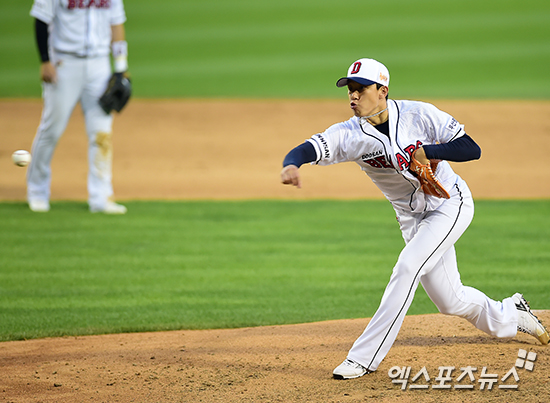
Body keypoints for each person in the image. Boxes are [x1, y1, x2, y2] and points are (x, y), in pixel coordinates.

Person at [280, 58, 549, 380]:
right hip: (410, 218)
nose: (353, 97)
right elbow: (307, 149)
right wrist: (291, 164)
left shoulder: (418, 114)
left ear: (382, 91)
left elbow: (471, 148)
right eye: (350, 91)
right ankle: (511, 314)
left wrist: (430, 151)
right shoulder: (349, 134)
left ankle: (363, 358)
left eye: (360, 90)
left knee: (407, 267)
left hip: (449, 205)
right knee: (451, 300)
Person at [27, 0, 129, 214]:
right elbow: (41, 20)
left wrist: (120, 67)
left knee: (101, 132)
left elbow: (116, 23)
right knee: (51, 130)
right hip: (64, 64)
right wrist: (45, 60)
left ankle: (101, 197)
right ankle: (37, 191)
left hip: (99, 65)